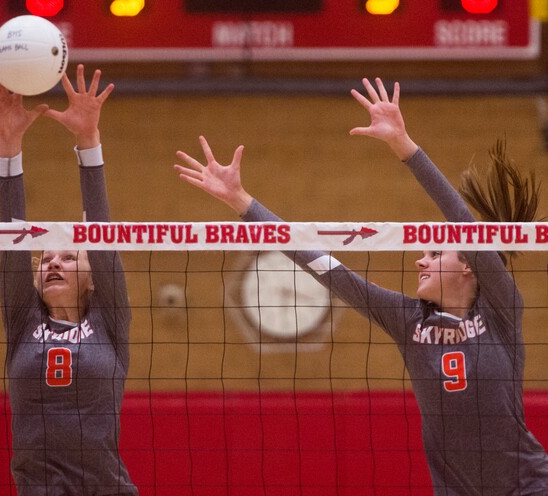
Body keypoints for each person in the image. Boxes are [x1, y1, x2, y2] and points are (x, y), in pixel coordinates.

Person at [173, 78, 548, 495]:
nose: (420, 259)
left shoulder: (500, 310)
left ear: (470, 269)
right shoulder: (410, 323)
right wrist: (242, 202)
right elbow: (328, 269)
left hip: (528, 486)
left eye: (436, 254)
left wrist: (404, 145)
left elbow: (460, 217)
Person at [0, 65, 137, 495]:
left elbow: (101, 233)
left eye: (69, 257)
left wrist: (88, 141)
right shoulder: (23, 320)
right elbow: (11, 234)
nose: (52, 262)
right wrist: (9, 145)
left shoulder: (111, 321)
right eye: (45, 258)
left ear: (93, 280)